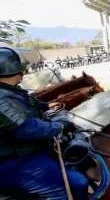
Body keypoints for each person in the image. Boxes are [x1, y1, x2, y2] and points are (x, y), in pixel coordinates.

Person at [0, 46, 89, 199]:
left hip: (28, 152)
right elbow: (26, 128)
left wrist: (46, 106)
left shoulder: (10, 90)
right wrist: (59, 126)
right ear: (16, 72)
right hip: (14, 161)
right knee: (78, 183)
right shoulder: (1, 98)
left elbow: (27, 102)